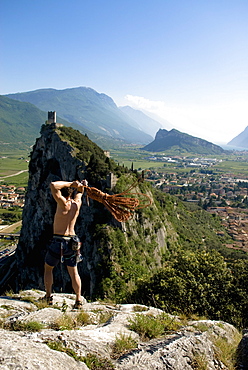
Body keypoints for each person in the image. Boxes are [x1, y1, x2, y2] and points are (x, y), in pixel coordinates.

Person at [43, 180, 87, 309]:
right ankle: (78, 299)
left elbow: (53, 185)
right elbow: (80, 192)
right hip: (73, 241)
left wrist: (71, 183)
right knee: (74, 273)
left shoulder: (63, 204)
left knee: (48, 269)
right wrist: (80, 186)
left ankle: (48, 296)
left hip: (58, 240)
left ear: (62, 194)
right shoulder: (76, 204)